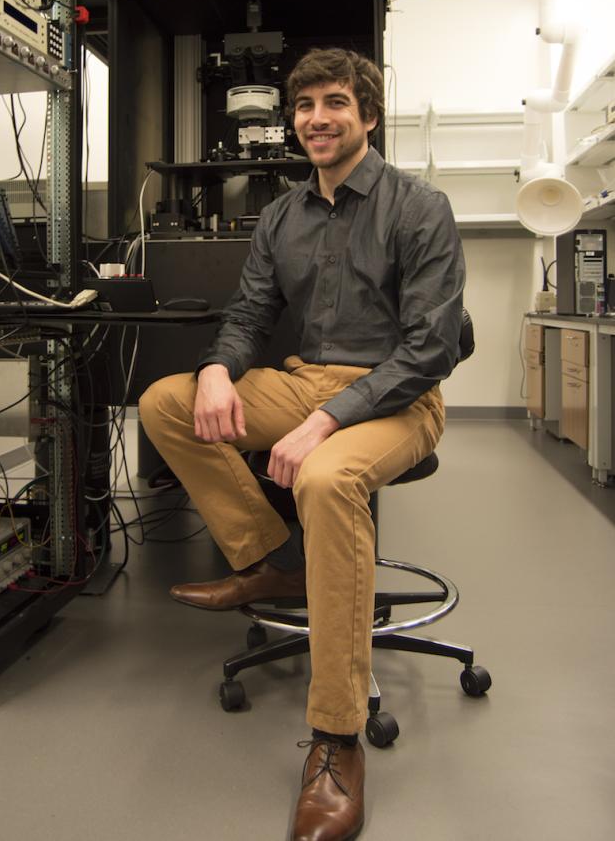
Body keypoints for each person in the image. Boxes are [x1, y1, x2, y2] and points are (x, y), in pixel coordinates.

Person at [139, 47, 465, 841]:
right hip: (304, 380)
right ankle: (271, 561)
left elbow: (430, 348)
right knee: (165, 403)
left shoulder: (420, 207)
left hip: (399, 395)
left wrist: (327, 420)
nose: (317, 118)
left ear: (368, 115)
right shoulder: (282, 216)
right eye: (306, 105)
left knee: (323, 478)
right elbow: (251, 313)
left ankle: (336, 738)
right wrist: (217, 370)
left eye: (335, 103)